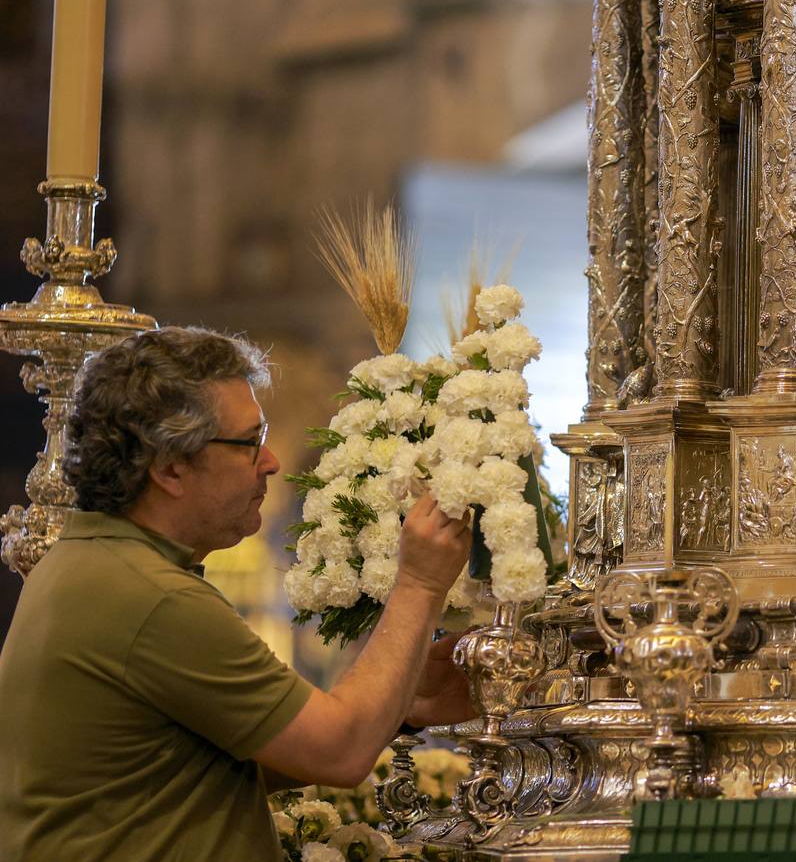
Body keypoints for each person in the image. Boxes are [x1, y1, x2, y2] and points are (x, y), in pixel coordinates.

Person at [0, 327, 475, 861]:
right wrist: (420, 584)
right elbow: (340, 753)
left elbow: (193, 775)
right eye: (250, 442)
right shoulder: (154, 599)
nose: (271, 461)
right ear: (170, 467)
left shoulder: (90, 563)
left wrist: (400, 706)